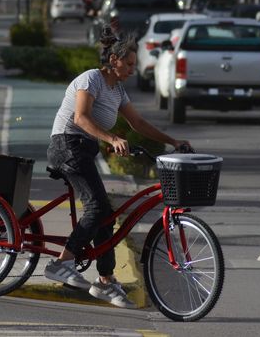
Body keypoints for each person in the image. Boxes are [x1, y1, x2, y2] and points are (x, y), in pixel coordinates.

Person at [44, 27, 190, 308]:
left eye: (135, 65)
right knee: (97, 207)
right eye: (130, 64)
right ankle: (61, 263)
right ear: (114, 60)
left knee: (106, 215)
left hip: (84, 150)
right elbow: (81, 118)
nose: (133, 70)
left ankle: (105, 280)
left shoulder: (118, 90)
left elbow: (139, 123)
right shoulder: (91, 79)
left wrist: (173, 141)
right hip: (66, 145)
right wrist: (112, 138)